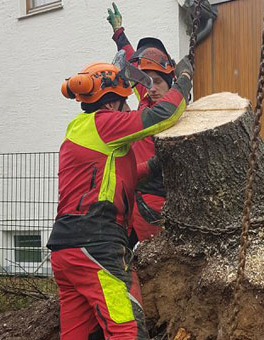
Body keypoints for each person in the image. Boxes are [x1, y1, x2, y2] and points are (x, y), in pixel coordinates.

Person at [47, 59, 192, 340]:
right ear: (112, 105)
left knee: (79, 333)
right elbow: (162, 115)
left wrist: (154, 164)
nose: (129, 108)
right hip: (97, 247)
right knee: (126, 329)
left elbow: (116, 178)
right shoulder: (106, 123)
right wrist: (184, 80)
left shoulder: (78, 130)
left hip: (66, 251)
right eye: (125, 103)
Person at [107, 3, 179, 247]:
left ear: (172, 81)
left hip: (156, 197)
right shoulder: (147, 95)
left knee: (157, 262)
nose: (153, 88)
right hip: (130, 196)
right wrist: (119, 34)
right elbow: (131, 61)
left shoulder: (176, 112)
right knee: (120, 259)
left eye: (159, 81)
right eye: (149, 82)